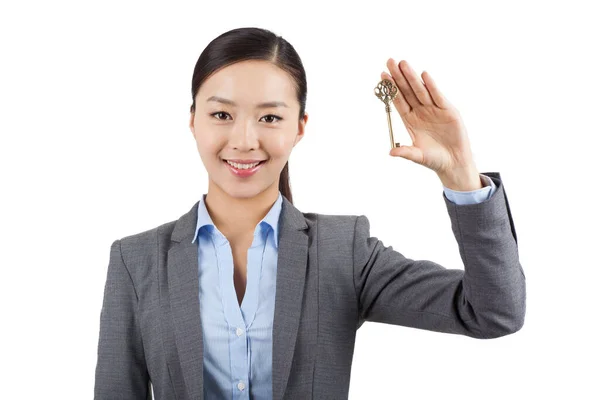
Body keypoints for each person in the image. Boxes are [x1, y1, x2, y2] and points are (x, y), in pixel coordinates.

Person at [94, 27, 526, 400]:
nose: (244, 140)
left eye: (269, 117)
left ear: (300, 126)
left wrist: (461, 176)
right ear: (193, 120)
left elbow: (493, 312)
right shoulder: (136, 262)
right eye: (221, 114)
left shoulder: (343, 252)